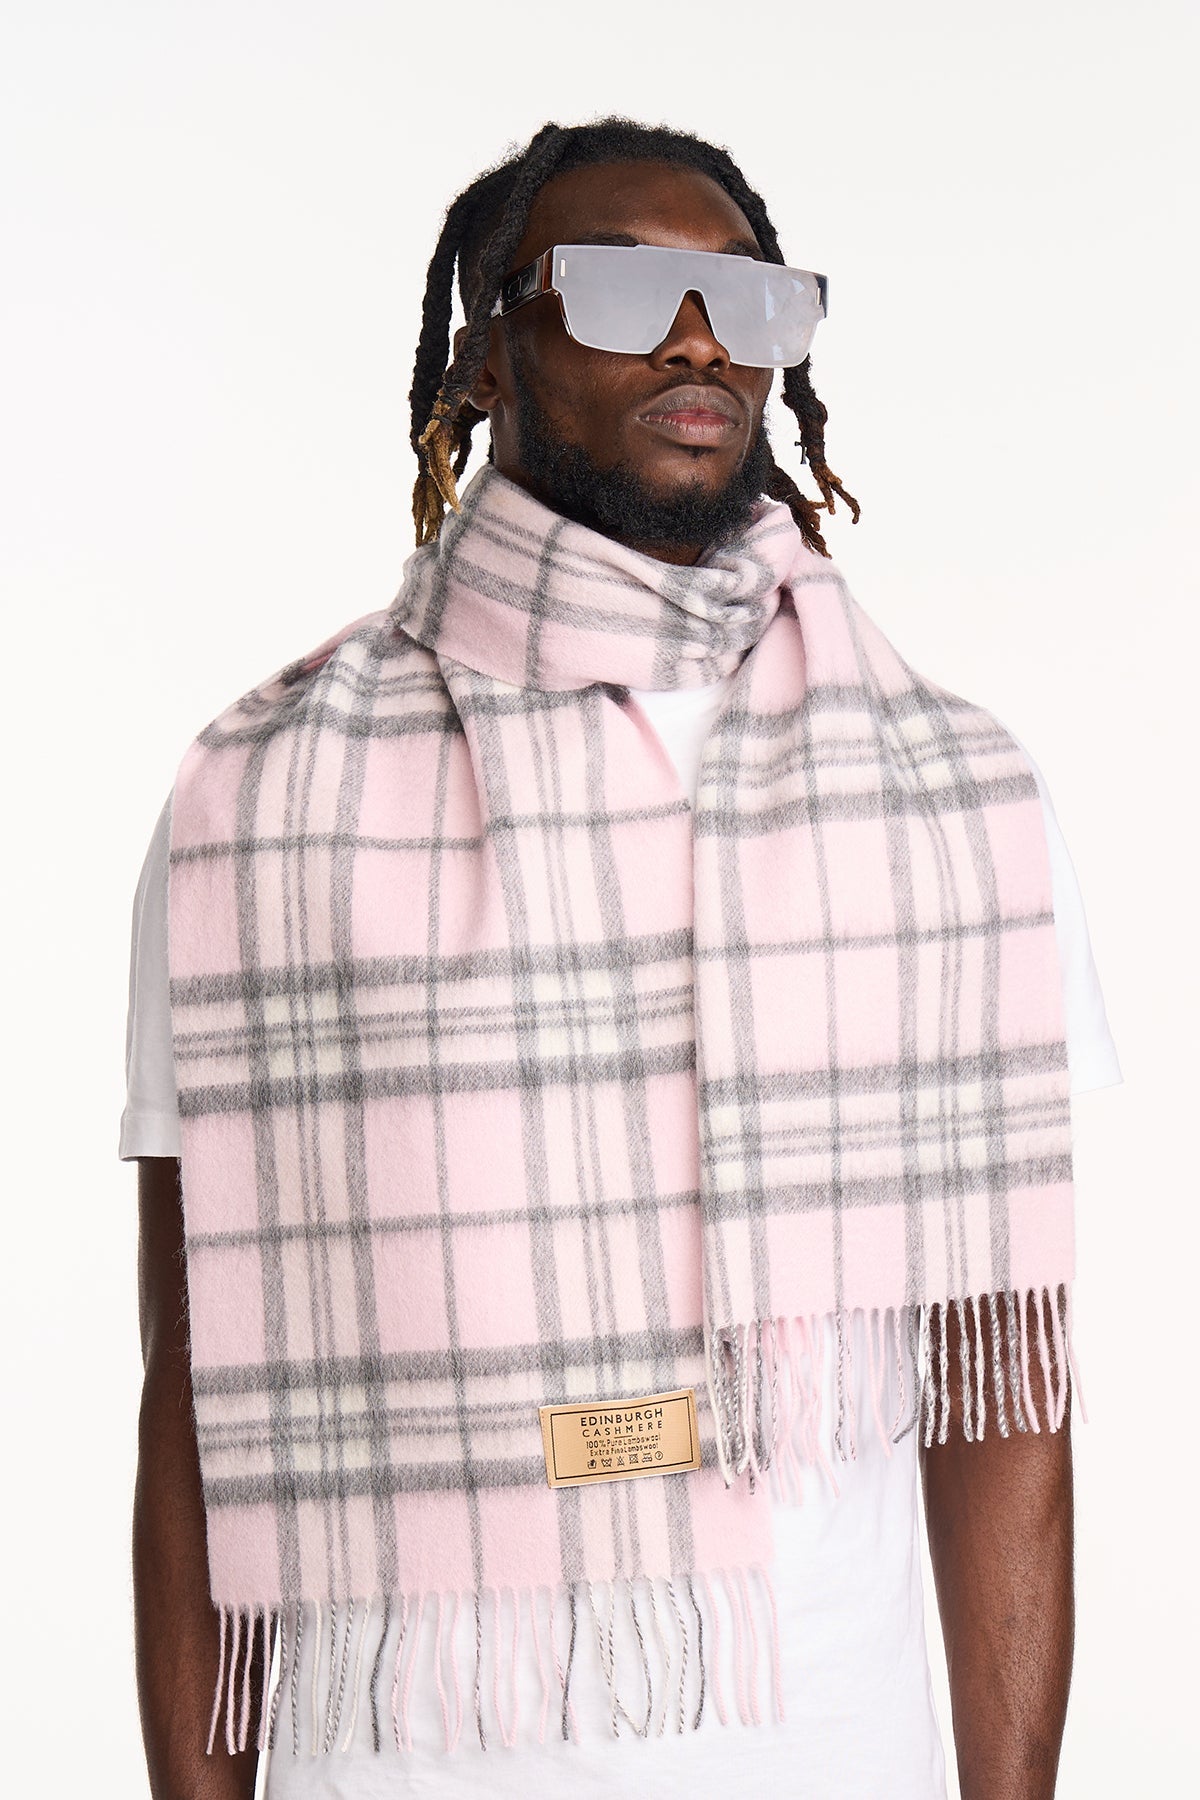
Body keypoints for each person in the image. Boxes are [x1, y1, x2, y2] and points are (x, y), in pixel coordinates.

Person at [124, 119, 1120, 1800]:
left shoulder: (951, 806)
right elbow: (193, 1397)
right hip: (396, 1761)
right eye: (624, 289)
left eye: (747, 298)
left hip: (825, 1751)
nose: (700, 339)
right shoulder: (268, 808)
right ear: (485, 357)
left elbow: (1001, 1389)